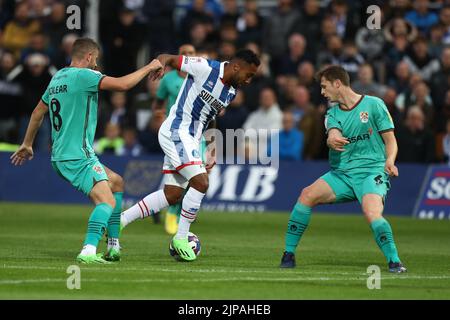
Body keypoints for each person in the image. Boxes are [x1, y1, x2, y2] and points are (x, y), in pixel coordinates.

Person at [10, 38, 163, 264]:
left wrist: (27, 143)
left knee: (117, 182)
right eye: (96, 61)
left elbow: (37, 112)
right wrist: (150, 66)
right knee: (107, 202)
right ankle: (89, 250)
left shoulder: (58, 77)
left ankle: (113, 246)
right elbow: (122, 85)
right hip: (77, 156)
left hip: (63, 155)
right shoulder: (84, 76)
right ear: (90, 57)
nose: (96, 66)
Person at [120, 49, 260, 261]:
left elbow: (210, 118)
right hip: (176, 131)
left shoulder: (230, 92)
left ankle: (119, 222)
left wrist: (211, 149)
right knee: (201, 183)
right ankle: (181, 238)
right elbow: (169, 58)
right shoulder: (205, 67)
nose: (249, 81)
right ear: (236, 66)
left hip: (192, 139)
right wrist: (159, 66)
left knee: (172, 195)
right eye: (248, 75)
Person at [279, 65, 407, 273]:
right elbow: (332, 133)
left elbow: (391, 141)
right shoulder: (332, 113)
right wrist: (332, 138)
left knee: (371, 212)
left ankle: (394, 261)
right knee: (307, 195)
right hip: (342, 174)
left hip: (372, 172)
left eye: (324, 86)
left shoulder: (374, 105)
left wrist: (390, 161)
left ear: (337, 83)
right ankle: (288, 254)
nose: (322, 92)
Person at [152, 44, 200, 235]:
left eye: (191, 53)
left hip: (197, 132)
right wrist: (158, 114)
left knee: (196, 173)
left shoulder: (201, 76)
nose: (188, 56)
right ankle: (173, 213)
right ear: (179, 57)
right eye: (184, 54)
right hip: (176, 132)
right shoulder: (169, 79)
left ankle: (169, 208)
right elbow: (159, 101)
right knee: (186, 174)